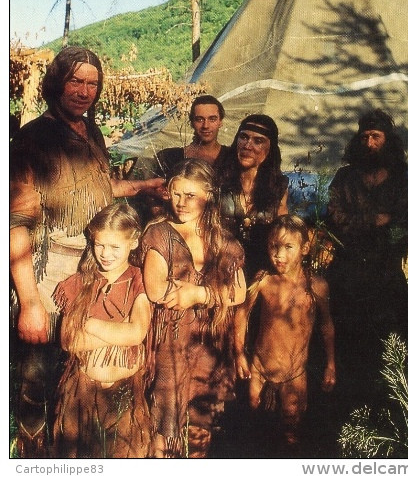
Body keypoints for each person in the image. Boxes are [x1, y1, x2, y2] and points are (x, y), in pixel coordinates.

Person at [9, 46, 165, 457]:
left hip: (92, 263)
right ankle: (31, 452)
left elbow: (97, 190)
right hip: (48, 267)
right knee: (37, 368)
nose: (83, 91)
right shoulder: (33, 139)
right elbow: (14, 224)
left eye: (92, 83)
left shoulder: (90, 132)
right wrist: (29, 302)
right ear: (57, 82)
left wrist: (142, 187)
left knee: (76, 363)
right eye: (75, 80)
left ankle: (74, 447)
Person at [141, 159, 246, 458]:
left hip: (208, 342)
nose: (182, 203)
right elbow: (157, 289)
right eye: (176, 194)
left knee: (199, 429)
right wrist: (215, 294)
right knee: (164, 426)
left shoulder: (223, 240)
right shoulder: (159, 234)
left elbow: (238, 292)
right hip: (170, 342)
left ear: (209, 195)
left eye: (191, 195)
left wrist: (198, 293)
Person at [324, 108, 408, 410]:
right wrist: (375, 221)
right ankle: (348, 413)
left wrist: (365, 227)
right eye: (364, 137)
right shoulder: (345, 177)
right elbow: (334, 219)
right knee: (349, 348)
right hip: (347, 278)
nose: (369, 143)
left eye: (375, 137)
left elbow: (404, 232)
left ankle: (390, 411)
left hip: (386, 278)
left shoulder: (402, 182)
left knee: (390, 348)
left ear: (387, 141)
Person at [52, 203, 151, 458]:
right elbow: (69, 340)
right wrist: (118, 332)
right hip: (82, 394)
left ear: (134, 242)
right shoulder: (81, 282)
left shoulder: (140, 280)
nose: (105, 254)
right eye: (99, 245)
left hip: (126, 396)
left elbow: (136, 333)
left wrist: (88, 324)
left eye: (114, 247)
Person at [234, 214, 336, 454]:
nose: (279, 255)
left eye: (288, 247)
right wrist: (239, 353)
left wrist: (331, 364)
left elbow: (327, 324)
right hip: (258, 371)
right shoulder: (263, 281)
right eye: (273, 246)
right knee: (254, 426)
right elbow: (241, 315)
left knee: (292, 432)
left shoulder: (316, 286)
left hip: (294, 374)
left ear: (305, 248)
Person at [220, 114, 289, 280]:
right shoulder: (219, 180)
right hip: (221, 270)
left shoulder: (278, 187)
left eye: (258, 141)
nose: (247, 146)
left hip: (261, 274)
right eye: (243, 137)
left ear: (270, 148)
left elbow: (283, 233)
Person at [154, 94, 231, 180]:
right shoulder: (170, 158)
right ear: (192, 122)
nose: (206, 125)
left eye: (212, 119)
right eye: (200, 119)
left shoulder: (231, 157)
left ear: (220, 122)